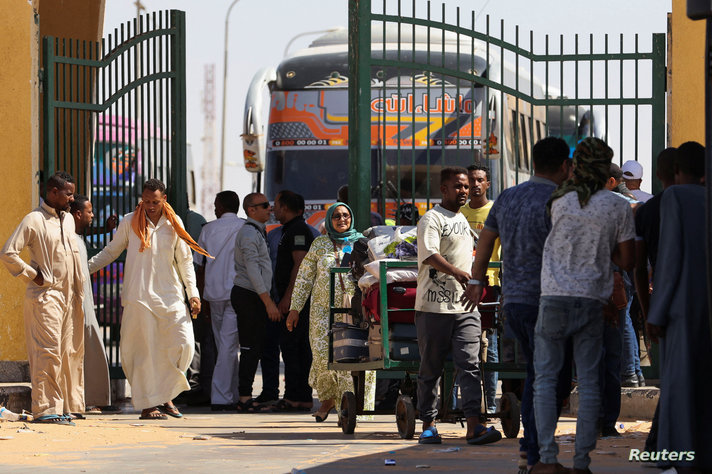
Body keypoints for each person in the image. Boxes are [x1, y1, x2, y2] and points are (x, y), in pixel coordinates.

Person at [465, 137, 573, 471]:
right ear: (565, 166)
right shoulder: (561, 200)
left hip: (514, 301)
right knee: (552, 378)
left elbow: (484, 242)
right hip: (550, 302)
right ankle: (538, 453)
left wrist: (476, 282)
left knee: (537, 374)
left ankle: (532, 452)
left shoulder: (509, 197)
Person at [533, 137, 635, 473]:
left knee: (546, 380)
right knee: (590, 381)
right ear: (606, 167)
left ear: (577, 164)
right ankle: (581, 461)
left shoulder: (559, 200)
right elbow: (626, 258)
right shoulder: (618, 205)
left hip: (552, 298)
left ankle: (547, 458)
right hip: (593, 300)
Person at [88, 179, 209, 420]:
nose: (151, 206)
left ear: (164, 200)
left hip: (170, 296)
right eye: (147, 201)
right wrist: (83, 268)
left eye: (155, 201)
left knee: (183, 343)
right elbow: (111, 251)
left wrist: (192, 294)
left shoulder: (174, 224)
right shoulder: (129, 221)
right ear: (141, 199)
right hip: (139, 296)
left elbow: (184, 261)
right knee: (143, 353)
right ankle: (148, 405)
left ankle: (166, 394)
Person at [415, 167, 501, 446]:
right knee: (431, 368)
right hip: (433, 308)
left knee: (471, 366)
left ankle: (474, 425)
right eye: (458, 187)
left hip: (465, 308)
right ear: (443, 189)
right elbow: (429, 255)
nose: (464, 191)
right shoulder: (432, 219)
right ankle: (428, 424)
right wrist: (457, 272)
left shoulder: (463, 220)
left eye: (466, 186)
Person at [646, 141, 711, 472]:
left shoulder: (676, 198)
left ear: (674, 172)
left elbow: (669, 259)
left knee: (679, 389)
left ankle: (677, 458)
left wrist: (655, 313)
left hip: (684, 308)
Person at [1, 171, 85, 426]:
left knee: (67, 352)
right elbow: (8, 252)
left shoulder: (68, 220)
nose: (72, 198)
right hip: (45, 296)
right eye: (68, 194)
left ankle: (65, 406)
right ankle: (46, 408)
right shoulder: (33, 219)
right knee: (47, 353)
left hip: (69, 298)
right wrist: (32, 275)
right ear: (53, 192)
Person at [285, 202, 376, 422]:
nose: (342, 219)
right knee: (322, 356)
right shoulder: (319, 244)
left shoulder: (362, 244)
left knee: (353, 355)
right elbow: (305, 278)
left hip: (354, 310)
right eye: (336, 216)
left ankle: (351, 406)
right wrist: (294, 308)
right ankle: (328, 398)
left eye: (346, 215)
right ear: (329, 219)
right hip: (321, 311)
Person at [194, 191, 244, 411]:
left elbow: (200, 267)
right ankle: (226, 395)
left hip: (213, 295)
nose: (214, 209)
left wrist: (201, 296)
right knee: (228, 346)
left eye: (216, 205)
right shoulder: (245, 227)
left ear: (221, 207)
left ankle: (224, 395)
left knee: (224, 345)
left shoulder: (207, 229)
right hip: (237, 292)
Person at [231, 192, 281, 412]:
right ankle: (244, 397)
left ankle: (246, 395)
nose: (269, 209)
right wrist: (267, 301)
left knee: (256, 347)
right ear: (251, 210)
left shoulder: (257, 231)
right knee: (250, 348)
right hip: (249, 295)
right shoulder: (250, 234)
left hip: (253, 295)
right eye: (264, 205)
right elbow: (252, 269)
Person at [459, 163, 500, 415]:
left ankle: (492, 405)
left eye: (479, 180)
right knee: (458, 344)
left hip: (489, 284)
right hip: (460, 285)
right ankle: (454, 405)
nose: (474, 185)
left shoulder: (496, 212)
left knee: (490, 347)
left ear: (487, 184)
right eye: (470, 181)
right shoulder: (457, 212)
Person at [69, 195, 116, 413]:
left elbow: (88, 230)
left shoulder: (78, 236)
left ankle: (90, 398)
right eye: (89, 212)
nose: (92, 215)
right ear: (78, 214)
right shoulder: (67, 236)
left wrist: (106, 230)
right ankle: (82, 400)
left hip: (85, 299)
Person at [270, 190, 315, 411]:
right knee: (293, 347)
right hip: (295, 300)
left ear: (285, 208)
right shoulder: (291, 230)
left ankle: (297, 397)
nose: (273, 209)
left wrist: (289, 298)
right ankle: (297, 395)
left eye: (276, 205)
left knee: (294, 347)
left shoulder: (298, 230)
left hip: (296, 303)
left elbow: (300, 265)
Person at [180, 202, 212, 406]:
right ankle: (193, 382)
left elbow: (199, 265)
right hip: (191, 287)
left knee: (192, 336)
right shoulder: (199, 221)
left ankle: (190, 383)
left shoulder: (194, 222)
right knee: (195, 336)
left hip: (185, 286)